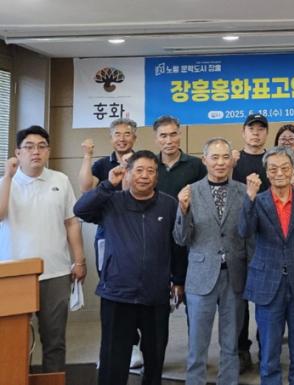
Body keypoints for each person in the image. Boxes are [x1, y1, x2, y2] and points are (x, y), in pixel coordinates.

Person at [73, 150, 184, 385]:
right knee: (114, 357)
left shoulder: (168, 204)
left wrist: (178, 280)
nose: (144, 176)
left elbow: (177, 245)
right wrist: (107, 185)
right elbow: (80, 210)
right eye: (139, 170)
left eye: (150, 171)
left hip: (155, 295)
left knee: (154, 357)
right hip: (117, 293)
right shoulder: (112, 201)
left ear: (157, 176)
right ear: (128, 173)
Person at [0, 125, 86, 373]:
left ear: (48, 151)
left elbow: (71, 222)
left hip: (55, 272)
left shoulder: (60, 180)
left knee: (54, 340)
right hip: (14, 273)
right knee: (14, 340)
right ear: (18, 152)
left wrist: (79, 260)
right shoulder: (6, 182)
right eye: (28, 147)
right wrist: (8, 177)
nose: (35, 152)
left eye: (41, 146)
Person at [238, 146, 294, 385]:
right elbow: (244, 231)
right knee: (269, 354)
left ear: (293, 170)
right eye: (273, 169)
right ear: (266, 172)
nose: (279, 173)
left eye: (285, 168)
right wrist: (249, 197)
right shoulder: (258, 201)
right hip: (268, 285)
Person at [174, 138, 252, 385]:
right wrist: (183, 210)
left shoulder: (244, 191)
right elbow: (181, 238)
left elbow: (250, 235)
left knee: (231, 342)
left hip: (235, 275)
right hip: (201, 275)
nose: (220, 163)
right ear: (204, 160)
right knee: (198, 342)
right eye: (214, 157)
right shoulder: (190, 191)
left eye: (225, 157)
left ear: (232, 161)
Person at [231, 113, 270, 372]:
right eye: (251, 128)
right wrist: (230, 165)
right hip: (237, 236)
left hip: (266, 237)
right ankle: (241, 350)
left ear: (266, 133)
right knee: (238, 297)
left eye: (260, 129)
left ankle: (266, 346)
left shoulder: (273, 160)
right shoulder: (233, 160)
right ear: (243, 132)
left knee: (266, 297)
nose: (256, 133)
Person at [78, 117, 136, 272]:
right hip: (107, 226)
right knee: (106, 272)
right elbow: (86, 189)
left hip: (136, 225)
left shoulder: (142, 162)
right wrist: (87, 155)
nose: (122, 139)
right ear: (111, 139)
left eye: (127, 134)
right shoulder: (102, 164)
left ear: (134, 138)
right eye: (117, 134)